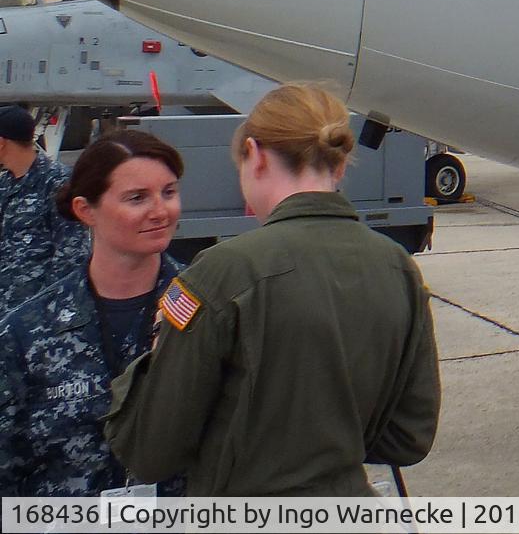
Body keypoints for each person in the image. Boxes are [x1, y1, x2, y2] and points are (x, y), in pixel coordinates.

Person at [106, 84, 441, 494]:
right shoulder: (397, 267)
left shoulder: (224, 272)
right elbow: (409, 437)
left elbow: (150, 451)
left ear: (256, 154)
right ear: (337, 165)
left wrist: (159, 351)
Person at [0, 131, 185, 496]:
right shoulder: (26, 332)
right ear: (86, 210)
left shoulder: (209, 311)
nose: (160, 211)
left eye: (169, 192)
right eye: (137, 198)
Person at [0, 103, 91, 314]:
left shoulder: (57, 182)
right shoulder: (6, 184)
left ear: (2, 143)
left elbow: (72, 254)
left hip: (38, 317)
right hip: (7, 315)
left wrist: (47, 311)